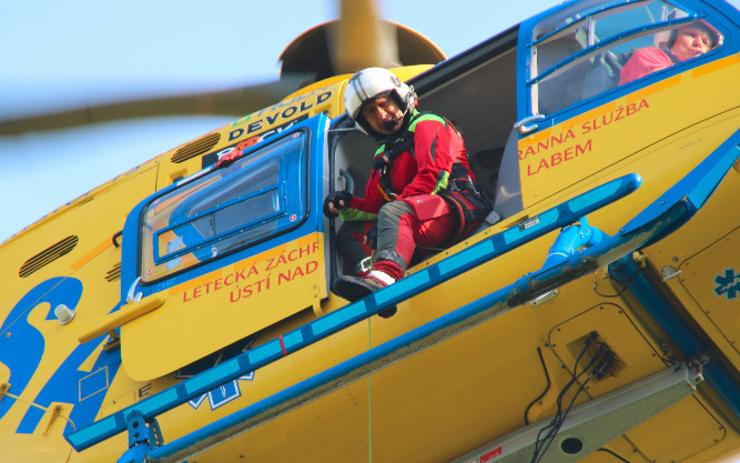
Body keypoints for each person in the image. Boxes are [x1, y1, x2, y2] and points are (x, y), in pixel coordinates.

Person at [324, 67, 491, 314]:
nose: (381, 114)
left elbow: (432, 176)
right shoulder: (382, 155)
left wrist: (391, 214)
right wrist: (347, 204)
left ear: (399, 98)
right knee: (349, 234)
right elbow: (376, 205)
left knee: (394, 212)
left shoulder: (428, 123)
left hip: (459, 206)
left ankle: (385, 278)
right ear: (365, 124)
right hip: (418, 217)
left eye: (384, 104)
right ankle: (373, 280)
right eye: (371, 112)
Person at [619, 20, 721, 85]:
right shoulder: (647, 55)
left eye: (705, 42)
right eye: (691, 35)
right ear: (672, 38)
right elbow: (661, 82)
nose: (698, 43)